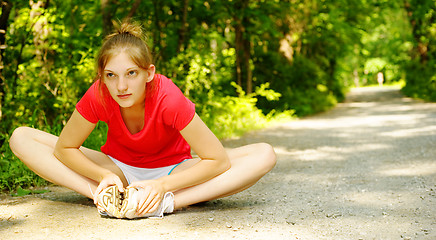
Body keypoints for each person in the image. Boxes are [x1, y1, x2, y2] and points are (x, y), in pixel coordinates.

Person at [9, 21, 276, 218]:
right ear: (102, 76)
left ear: (149, 73)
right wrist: (102, 176)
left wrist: (161, 185)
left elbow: (218, 160)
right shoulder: (100, 94)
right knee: (21, 137)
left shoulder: (168, 97)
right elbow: (64, 148)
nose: (121, 86)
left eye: (131, 73)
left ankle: (164, 203)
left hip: (172, 171)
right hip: (118, 169)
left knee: (264, 154)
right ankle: (108, 199)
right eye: (111, 75)